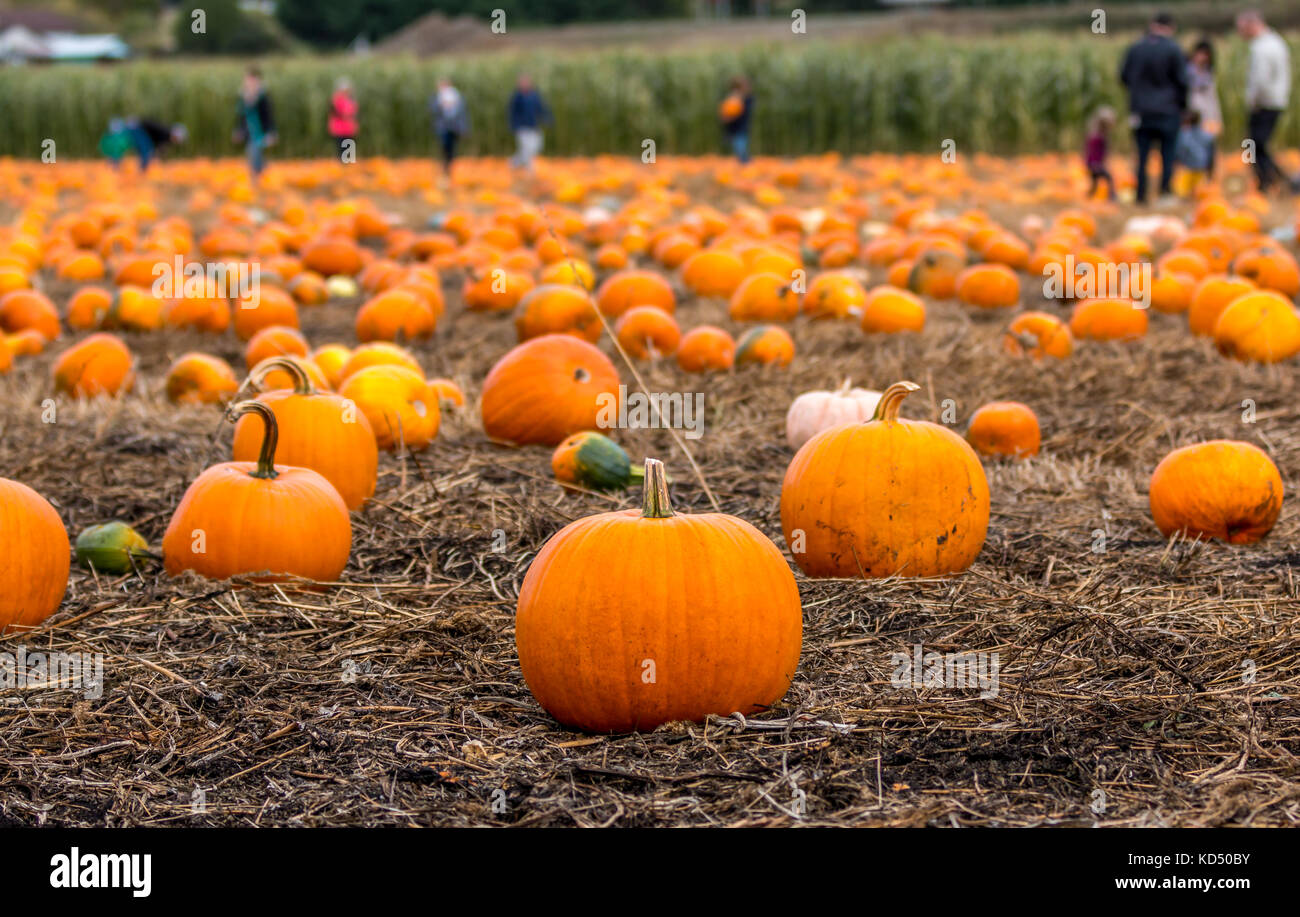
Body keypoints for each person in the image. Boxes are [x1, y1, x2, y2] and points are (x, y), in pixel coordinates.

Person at [1120, 12, 1188, 204]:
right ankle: (1165, 194)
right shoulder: (1174, 49)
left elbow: (1124, 77)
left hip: (1141, 111)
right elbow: (1183, 82)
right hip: (1168, 110)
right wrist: (1182, 106)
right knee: (1167, 155)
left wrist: (1138, 94)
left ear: (1152, 25)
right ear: (1171, 27)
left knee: (1142, 156)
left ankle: (1140, 196)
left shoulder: (1135, 48)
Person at [1236, 11, 1300, 193]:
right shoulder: (1276, 41)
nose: (1241, 34)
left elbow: (1260, 79)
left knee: (1252, 145)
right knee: (1259, 144)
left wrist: (1253, 101)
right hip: (1276, 100)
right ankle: (1279, 180)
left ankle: (1268, 181)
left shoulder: (1261, 47)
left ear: (1251, 25)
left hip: (1264, 102)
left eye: (1242, 29)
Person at [1186, 38, 1221, 176]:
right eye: (1200, 53)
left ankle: (1208, 178)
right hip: (1191, 115)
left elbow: (1213, 98)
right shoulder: (1186, 72)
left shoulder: (1208, 74)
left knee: (1209, 147)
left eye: (1206, 55)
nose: (1202, 57)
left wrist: (1217, 118)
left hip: (1208, 115)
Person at [233, 66, 276, 179]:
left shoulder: (262, 97)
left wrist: (271, 132)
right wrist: (239, 130)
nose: (249, 82)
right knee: (253, 154)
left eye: (252, 80)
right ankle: (259, 177)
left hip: (260, 130)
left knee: (254, 152)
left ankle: (259, 177)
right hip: (249, 131)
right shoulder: (243, 96)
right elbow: (241, 116)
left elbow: (268, 116)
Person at [100, 117, 186, 171]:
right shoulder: (164, 131)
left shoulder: (167, 140)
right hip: (140, 131)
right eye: (177, 138)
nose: (177, 141)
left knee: (146, 151)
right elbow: (150, 124)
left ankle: (141, 170)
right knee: (146, 151)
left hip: (141, 133)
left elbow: (159, 149)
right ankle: (142, 171)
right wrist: (138, 122)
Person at [508, 75, 551, 171]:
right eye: (523, 83)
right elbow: (512, 112)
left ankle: (514, 162)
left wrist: (547, 118)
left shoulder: (534, 96)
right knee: (527, 148)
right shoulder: (517, 97)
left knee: (537, 146)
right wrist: (514, 125)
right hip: (522, 127)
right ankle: (530, 169)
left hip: (534, 126)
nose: (525, 84)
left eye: (526, 82)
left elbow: (541, 108)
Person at [430, 78, 469, 176]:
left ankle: (450, 166)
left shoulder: (457, 97)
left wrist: (464, 128)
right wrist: (441, 105)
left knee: (452, 148)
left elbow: (462, 114)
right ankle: (444, 166)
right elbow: (433, 110)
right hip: (443, 127)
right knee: (444, 145)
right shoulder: (437, 97)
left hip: (454, 128)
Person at [1174, 110, 1215, 196]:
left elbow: (1180, 151)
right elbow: (1211, 154)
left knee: (1182, 192)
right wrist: (1210, 170)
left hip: (1187, 168)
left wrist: (1178, 162)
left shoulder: (1183, 135)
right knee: (1200, 192)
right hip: (1201, 168)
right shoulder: (1207, 136)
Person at [1083, 107, 1117, 200]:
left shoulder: (1099, 135)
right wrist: (1094, 163)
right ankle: (1112, 195)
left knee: (1095, 181)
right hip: (1095, 165)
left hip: (1094, 164)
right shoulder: (1096, 137)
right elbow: (1093, 152)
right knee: (1108, 178)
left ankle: (1090, 195)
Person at [719, 76, 754, 163]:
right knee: (738, 149)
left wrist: (730, 117)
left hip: (741, 128)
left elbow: (740, 112)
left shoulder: (747, 99)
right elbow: (726, 111)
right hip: (733, 129)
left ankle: (745, 164)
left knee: (741, 148)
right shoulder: (731, 99)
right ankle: (743, 164)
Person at [328, 77, 358, 161]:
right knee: (342, 150)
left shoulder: (350, 100)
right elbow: (336, 113)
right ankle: (342, 168)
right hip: (340, 129)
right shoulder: (336, 99)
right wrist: (346, 116)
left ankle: (349, 168)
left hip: (349, 129)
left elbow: (354, 114)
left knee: (350, 152)